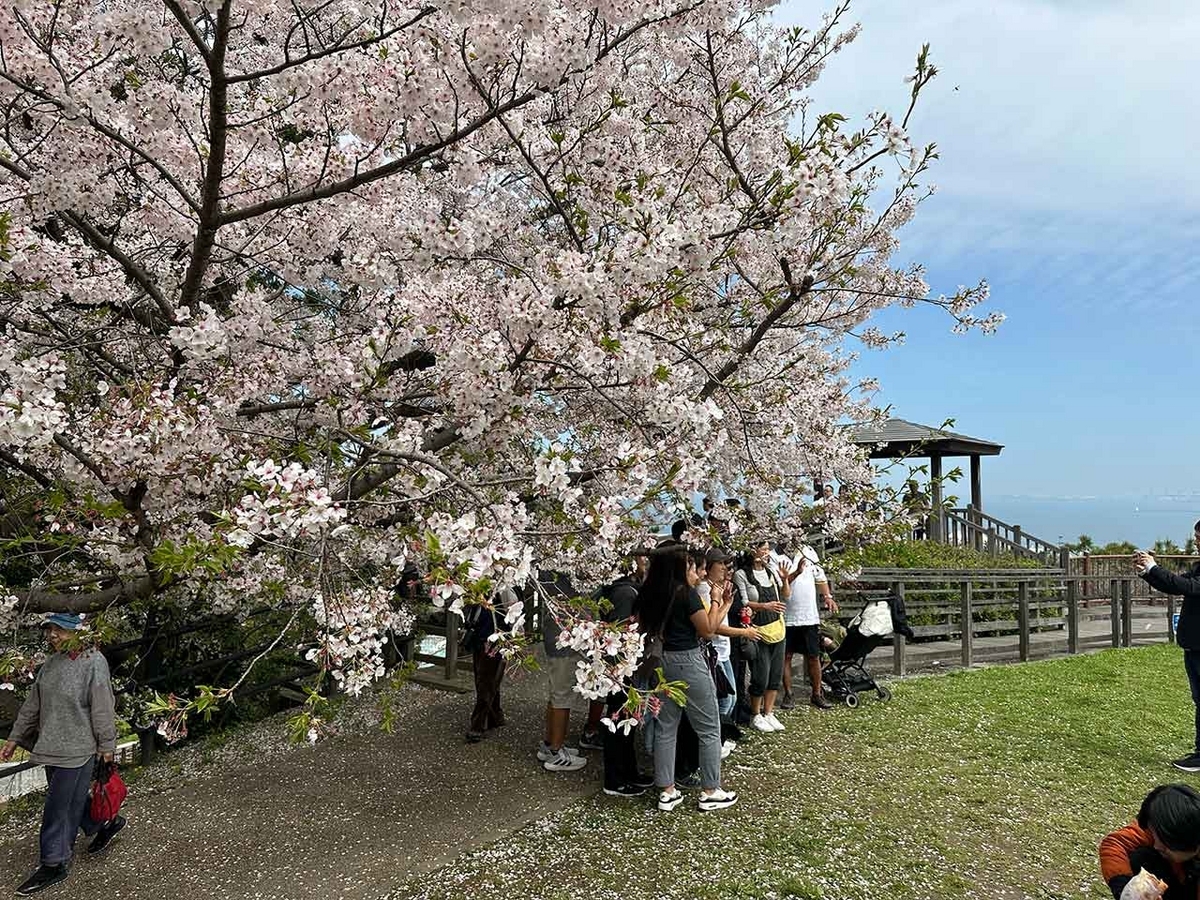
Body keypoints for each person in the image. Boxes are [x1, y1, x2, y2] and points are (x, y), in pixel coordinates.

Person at [2, 613, 125, 896]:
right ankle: (105, 823)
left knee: (58, 808)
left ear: (78, 633)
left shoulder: (93, 662)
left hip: (78, 750)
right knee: (72, 800)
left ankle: (54, 863)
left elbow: (103, 707)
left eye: (60, 630)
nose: (52, 635)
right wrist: (14, 738)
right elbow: (33, 705)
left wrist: (107, 748)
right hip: (50, 747)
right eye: (50, 630)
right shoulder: (51, 664)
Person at [636, 545, 738, 812]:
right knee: (708, 726)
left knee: (666, 726)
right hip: (687, 660)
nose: (698, 572)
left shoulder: (649, 591)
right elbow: (707, 631)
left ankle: (667, 791)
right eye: (693, 567)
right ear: (680, 568)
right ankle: (711, 789)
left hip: (661, 662)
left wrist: (723, 604)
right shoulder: (687, 594)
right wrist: (717, 601)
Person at [1135, 529, 1200, 771]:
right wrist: (1147, 573)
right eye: (1196, 538)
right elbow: (1177, 585)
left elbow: (1188, 586)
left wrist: (1154, 567)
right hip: (1194, 645)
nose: (1196, 543)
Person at [1099, 784, 1200, 898]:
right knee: (1140, 857)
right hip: (1177, 879)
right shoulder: (1158, 823)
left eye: (1164, 841)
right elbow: (1115, 843)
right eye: (1154, 834)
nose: (1157, 846)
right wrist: (1123, 888)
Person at [733, 540, 788, 733]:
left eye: (767, 549)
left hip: (777, 627)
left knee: (775, 673)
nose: (765, 552)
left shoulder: (771, 572)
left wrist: (786, 578)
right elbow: (744, 602)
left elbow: (784, 595)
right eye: (762, 548)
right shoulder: (741, 575)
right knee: (760, 674)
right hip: (758, 629)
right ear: (751, 550)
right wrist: (765, 606)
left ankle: (769, 712)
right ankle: (755, 714)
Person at [536, 571, 587, 773]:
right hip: (565, 639)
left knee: (556, 693)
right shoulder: (565, 568)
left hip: (556, 635)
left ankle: (550, 744)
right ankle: (557, 752)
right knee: (562, 696)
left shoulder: (549, 568)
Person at [781, 545, 838, 710]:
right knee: (786, 656)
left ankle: (817, 693)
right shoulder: (775, 554)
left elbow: (821, 577)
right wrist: (796, 572)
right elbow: (779, 583)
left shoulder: (808, 551)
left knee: (813, 656)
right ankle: (788, 694)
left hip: (809, 616)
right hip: (787, 616)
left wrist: (827, 596)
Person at [463, 587, 515, 743]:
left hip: (496, 631)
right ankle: (495, 716)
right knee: (485, 676)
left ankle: (478, 724)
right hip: (480, 630)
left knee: (486, 679)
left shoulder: (503, 583)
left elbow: (510, 601)